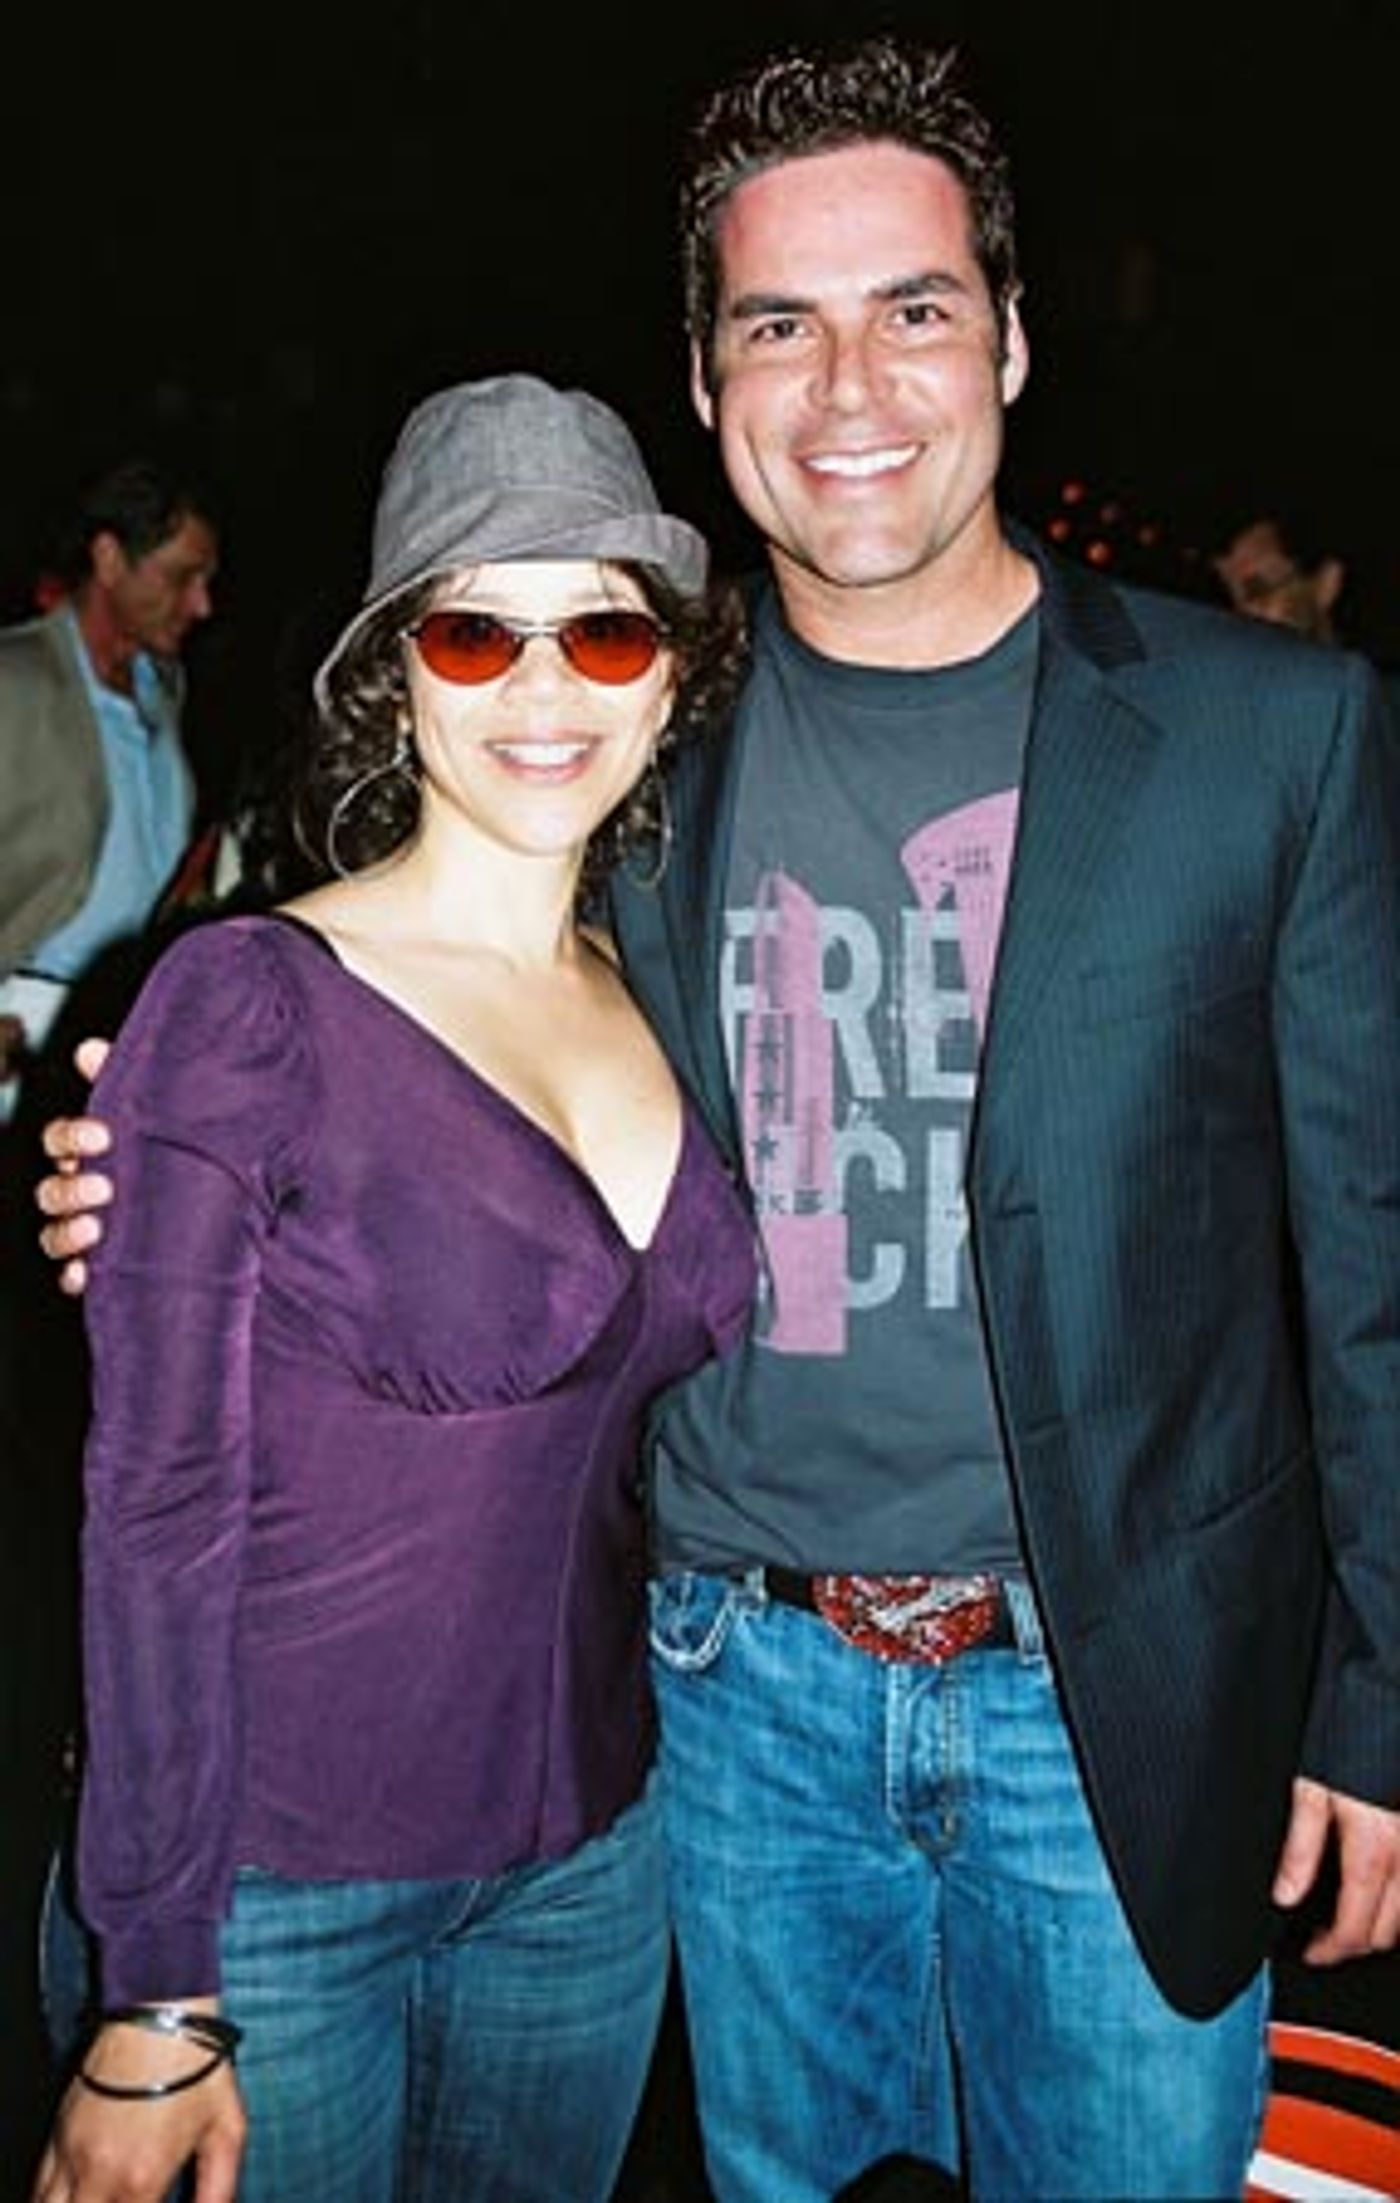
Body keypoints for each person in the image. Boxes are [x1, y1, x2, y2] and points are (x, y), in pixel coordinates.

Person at [35, 32, 1400, 2203]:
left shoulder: (1277, 736)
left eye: (913, 306)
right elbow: (390, 1073)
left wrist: (1376, 1706)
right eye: (778, 323)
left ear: (1010, 337)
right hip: (730, 1704)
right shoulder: (631, 747)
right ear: (705, 375)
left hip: (1112, 1705)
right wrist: (159, 1168)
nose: (848, 384)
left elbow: (1373, 1261)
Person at [29, 373, 755, 2203]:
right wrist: (156, 1981)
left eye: (601, 630)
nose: (540, 687)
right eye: (474, 630)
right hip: (275, 1899)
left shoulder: (659, 985)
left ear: (666, 674)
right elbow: (155, 1505)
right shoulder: (245, 1004)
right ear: (394, 672)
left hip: (593, 1873)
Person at [0, 456, 218, 1117]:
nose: (202, 605)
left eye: (206, 581)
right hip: (16, 1030)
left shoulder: (164, 689)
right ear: (109, 558)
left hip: (118, 1030)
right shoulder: (16, 681)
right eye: (181, 578)